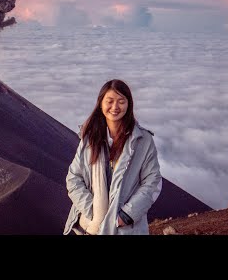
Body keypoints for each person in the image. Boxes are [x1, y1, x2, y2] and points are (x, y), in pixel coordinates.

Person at [64, 79, 162, 235]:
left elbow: (152, 181)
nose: (115, 107)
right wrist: (92, 210)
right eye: (109, 101)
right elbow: (73, 178)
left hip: (126, 229)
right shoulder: (90, 139)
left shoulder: (143, 140)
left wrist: (127, 215)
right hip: (91, 228)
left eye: (121, 101)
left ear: (129, 104)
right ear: (101, 104)